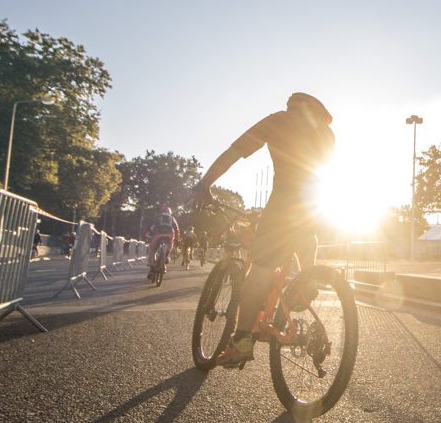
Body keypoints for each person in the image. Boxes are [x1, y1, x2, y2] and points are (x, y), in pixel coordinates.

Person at [191, 92, 336, 368]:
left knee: (260, 268)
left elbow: (234, 153)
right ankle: (308, 280)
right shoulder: (328, 135)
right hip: (318, 204)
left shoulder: (279, 120)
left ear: (293, 106)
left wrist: (204, 184)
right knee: (306, 235)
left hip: (284, 203)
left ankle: (242, 341)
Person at [144, 206, 180, 279]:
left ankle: (152, 268)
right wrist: (177, 239)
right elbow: (176, 229)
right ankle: (166, 255)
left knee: (153, 251)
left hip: (158, 236)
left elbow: (149, 226)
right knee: (170, 243)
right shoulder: (172, 218)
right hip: (169, 236)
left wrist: (144, 234)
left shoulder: (157, 217)